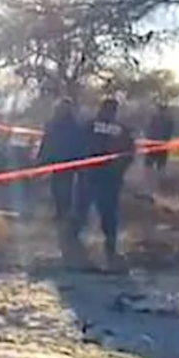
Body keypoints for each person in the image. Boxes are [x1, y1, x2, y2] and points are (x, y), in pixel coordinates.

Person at [70, 98, 136, 266]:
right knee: (105, 213)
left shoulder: (90, 125)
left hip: (94, 176)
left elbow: (77, 147)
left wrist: (80, 167)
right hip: (106, 178)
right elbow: (130, 153)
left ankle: (75, 243)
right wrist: (120, 170)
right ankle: (107, 248)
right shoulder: (121, 129)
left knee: (84, 209)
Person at [36, 97, 81, 222]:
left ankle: (65, 212)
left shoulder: (74, 125)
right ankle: (60, 211)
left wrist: (78, 161)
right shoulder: (52, 123)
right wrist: (42, 157)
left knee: (66, 188)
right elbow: (46, 141)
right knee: (56, 187)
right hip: (55, 159)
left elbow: (79, 143)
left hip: (68, 160)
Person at [143, 103, 175, 179]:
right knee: (151, 165)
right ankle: (151, 180)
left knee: (159, 165)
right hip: (155, 144)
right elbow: (148, 130)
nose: (161, 112)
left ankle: (158, 180)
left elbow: (149, 130)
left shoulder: (167, 121)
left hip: (160, 145)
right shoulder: (157, 119)